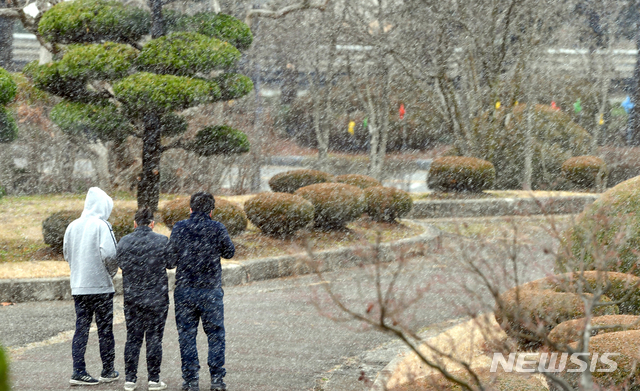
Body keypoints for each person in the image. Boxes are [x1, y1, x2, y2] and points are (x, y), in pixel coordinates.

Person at [166, 192, 235, 391]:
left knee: (187, 335)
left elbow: (170, 262)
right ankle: (217, 380)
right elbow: (229, 252)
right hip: (210, 290)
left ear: (190, 209)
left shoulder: (179, 227)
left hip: (185, 290)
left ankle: (190, 380)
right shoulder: (217, 228)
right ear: (211, 211)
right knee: (215, 334)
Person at [63, 187, 120, 385]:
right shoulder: (102, 225)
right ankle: (108, 369)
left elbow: (66, 253)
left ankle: (78, 370)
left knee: (81, 328)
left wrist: (78, 270)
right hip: (101, 287)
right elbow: (111, 254)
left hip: (79, 286)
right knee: (105, 329)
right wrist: (111, 272)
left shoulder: (72, 226)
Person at [116, 208, 170, 391]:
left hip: (133, 298)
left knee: (133, 338)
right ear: (152, 224)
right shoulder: (162, 241)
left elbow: (121, 263)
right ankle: (154, 379)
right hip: (157, 298)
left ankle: (130, 379)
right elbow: (170, 263)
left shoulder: (124, 241)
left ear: (135, 223)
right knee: (155, 338)